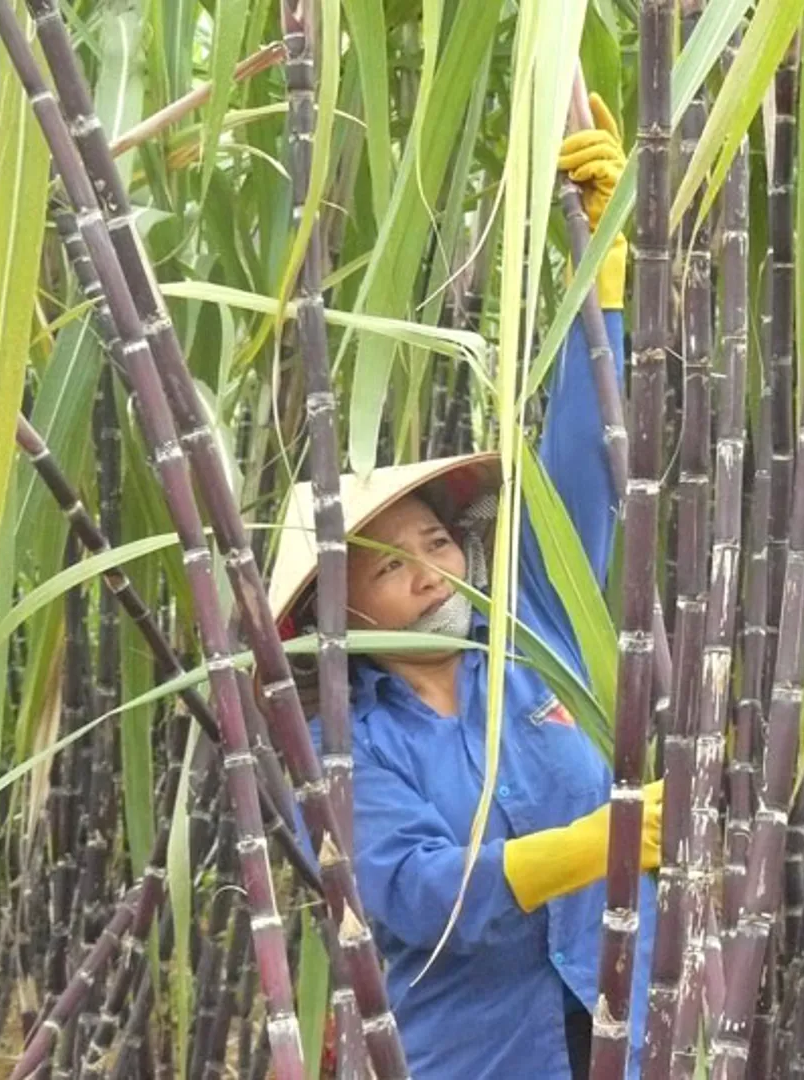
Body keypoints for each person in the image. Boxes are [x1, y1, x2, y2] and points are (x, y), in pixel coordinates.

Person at [265, 93, 662, 1080]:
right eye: (391, 567)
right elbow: (411, 892)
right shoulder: (334, 746)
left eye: (436, 542)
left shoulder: (532, 640)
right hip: (477, 1057)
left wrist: (601, 266)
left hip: (629, 1024)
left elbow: (583, 451)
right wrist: (591, 846)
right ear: (335, 611)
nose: (430, 571)